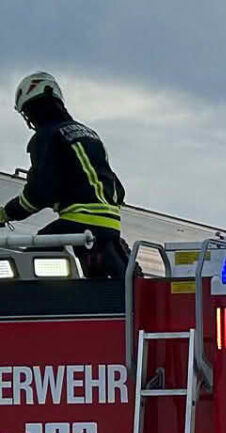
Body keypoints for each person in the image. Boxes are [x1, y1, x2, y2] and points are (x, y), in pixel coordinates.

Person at [0, 72, 129, 279]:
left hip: (77, 222)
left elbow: (39, 193)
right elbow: (118, 190)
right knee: (113, 291)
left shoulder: (46, 137)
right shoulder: (91, 135)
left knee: (23, 273)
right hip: (111, 228)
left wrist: (7, 213)